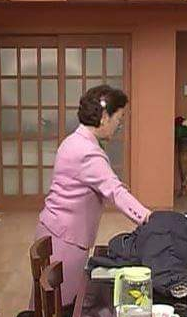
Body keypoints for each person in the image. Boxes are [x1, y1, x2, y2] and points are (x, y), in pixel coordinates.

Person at [32, 85, 151, 305]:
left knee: (47, 306)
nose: (119, 125)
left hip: (55, 230)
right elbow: (115, 191)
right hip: (66, 239)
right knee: (61, 308)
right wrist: (147, 218)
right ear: (104, 117)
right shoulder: (87, 151)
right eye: (118, 119)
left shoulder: (75, 141)